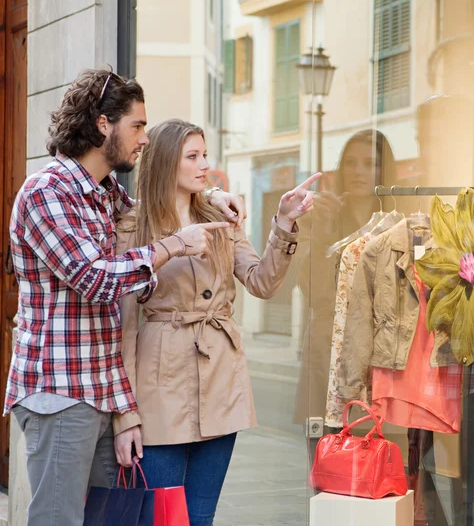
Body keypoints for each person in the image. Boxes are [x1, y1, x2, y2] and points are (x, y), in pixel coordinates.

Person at [3, 69, 246, 526]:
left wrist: (211, 194)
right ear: (102, 125)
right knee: (58, 519)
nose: (145, 139)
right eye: (137, 126)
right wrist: (174, 246)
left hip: (101, 391)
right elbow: (94, 279)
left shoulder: (106, 194)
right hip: (60, 392)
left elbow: (162, 203)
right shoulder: (47, 192)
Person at [112, 118, 320, 526]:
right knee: (161, 519)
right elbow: (125, 329)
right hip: (159, 389)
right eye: (193, 156)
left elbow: (261, 282)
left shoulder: (222, 218)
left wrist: (283, 224)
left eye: (205, 154)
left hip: (220, 381)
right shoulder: (133, 228)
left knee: (200, 517)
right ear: (167, 162)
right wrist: (125, 417)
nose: (205, 164)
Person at [293, 129, 398, 429]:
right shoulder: (324, 215)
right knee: (329, 459)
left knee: (385, 456)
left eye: (369, 163)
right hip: (329, 350)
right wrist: (324, 228)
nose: (359, 171)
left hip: (382, 355)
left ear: (383, 168)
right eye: (351, 163)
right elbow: (313, 292)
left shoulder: (400, 219)